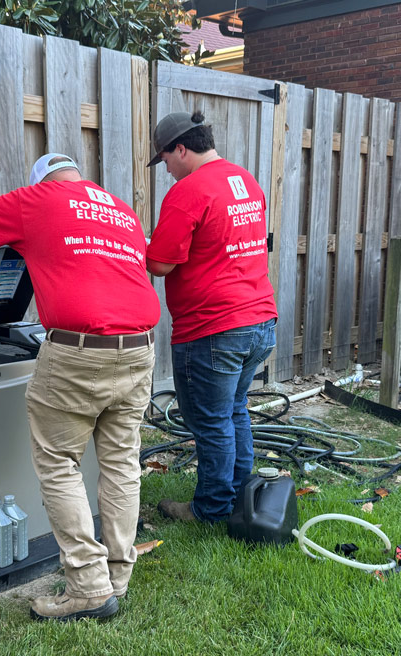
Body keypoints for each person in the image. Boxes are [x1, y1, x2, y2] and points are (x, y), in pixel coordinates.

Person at [0, 153, 159, 621]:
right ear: (77, 175)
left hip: (78, 352)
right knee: (122, 464)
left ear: (39, 179)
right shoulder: (118, 209)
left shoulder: (37, 199)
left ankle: (88, 586)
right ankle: (118, 576)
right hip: (139, 347)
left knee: (59, 464)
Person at [146, 111, 277, 524]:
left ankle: (211, 510)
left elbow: (161, 264)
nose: (165, 169)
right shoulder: (246, 182)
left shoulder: (189, 191)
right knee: (234, 410)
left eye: (165, 159)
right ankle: (240, 496)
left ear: (181, 148)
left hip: (213, 328)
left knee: (212, 421)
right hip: (259, 321)